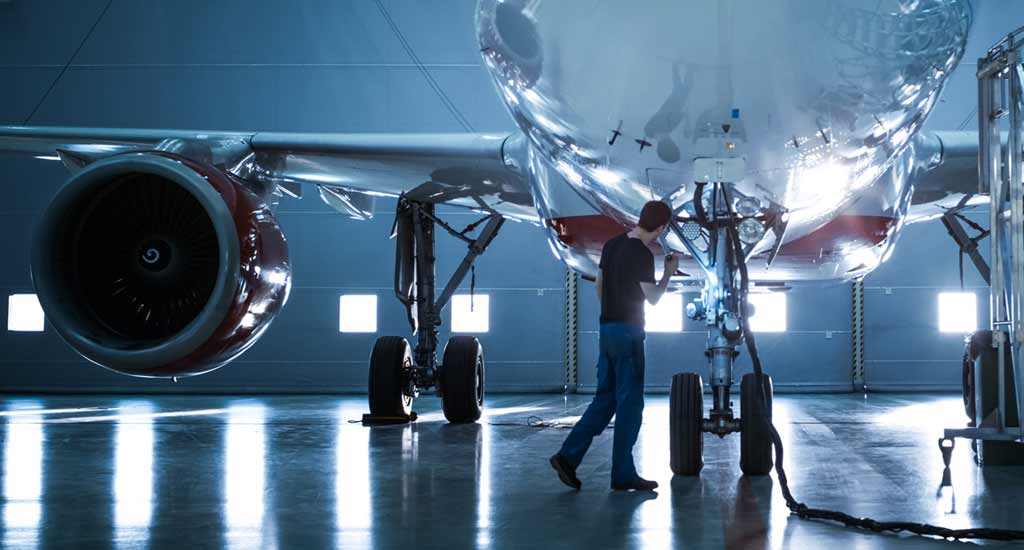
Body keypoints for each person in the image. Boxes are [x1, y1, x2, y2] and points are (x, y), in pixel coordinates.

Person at [550, 200, 679, 492]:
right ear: (660, 228)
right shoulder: (642, 255)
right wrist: (669, 271)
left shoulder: (612, 245)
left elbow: (598, 285)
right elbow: (655, 298)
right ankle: (622, 473)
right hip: (629, 334)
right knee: (630, 405)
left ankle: (567, 456)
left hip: (607, 329)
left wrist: (612, 312)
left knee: (604, 400)